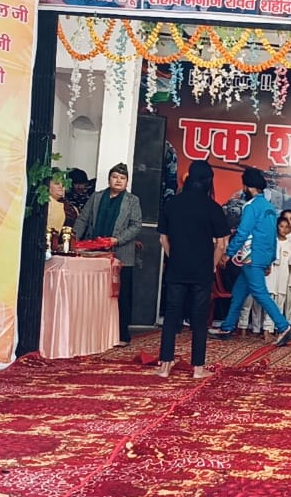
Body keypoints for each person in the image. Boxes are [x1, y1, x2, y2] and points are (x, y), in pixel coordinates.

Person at [155, 161, 230, 378]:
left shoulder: (173, 203)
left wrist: (176, 258)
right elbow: (222, 244)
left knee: (171, 316)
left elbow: (163, 239)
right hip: (201, 270)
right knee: (199, 319)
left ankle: (165, 366)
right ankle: (198, 368)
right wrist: (211, 265)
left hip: (177, 268)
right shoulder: (212, 207)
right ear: (208, 181)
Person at [211, 167, 291, 345]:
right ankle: (227, 327)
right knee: (239, 293)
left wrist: (228, 254)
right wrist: (270, 259)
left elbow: (243, 232)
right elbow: (273, 236)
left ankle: (284, 327)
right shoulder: (270, 208)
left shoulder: (251, 206)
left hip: (251, 257)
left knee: (260, 293)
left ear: (248, 186)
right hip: (262, 257)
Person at [75, 163, 143, 344]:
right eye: (115, 177)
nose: (118, 181)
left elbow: (136, 225)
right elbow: (83, 219)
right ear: (109, 179)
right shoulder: (97, 197)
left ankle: (121, 335)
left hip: (121, 254)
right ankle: (96, 332)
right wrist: (73, 239)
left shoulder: (132, 200)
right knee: (95, 293)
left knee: (121, 296)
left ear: (127, 181)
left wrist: (117, 239)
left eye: (122, 178)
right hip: (95, 252)